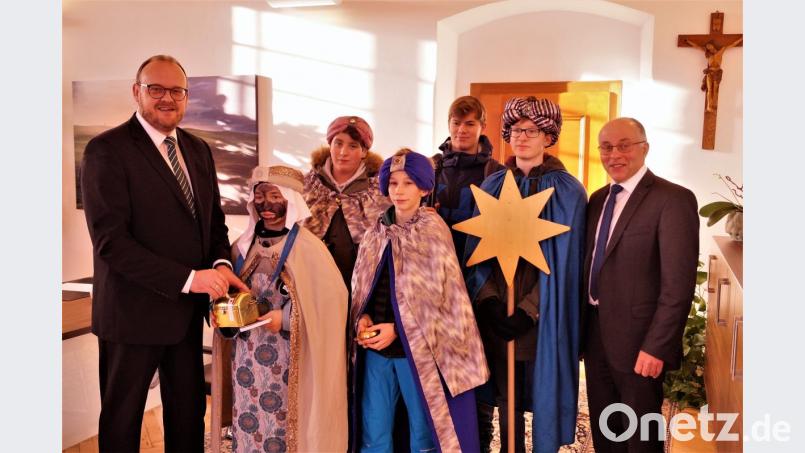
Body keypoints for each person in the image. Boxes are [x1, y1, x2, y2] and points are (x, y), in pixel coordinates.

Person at [80, 54, 248, 452]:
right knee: (122, 422)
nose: (167, 98)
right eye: (156, 88)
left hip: (184, 316)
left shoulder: (198, 150)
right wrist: (190, 280)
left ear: (186, 96)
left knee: (188, 416)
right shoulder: (106, 150)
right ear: (137, 92)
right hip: (130, 316)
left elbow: (213, 223)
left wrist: (221, 264)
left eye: (177, 90)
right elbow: (111, 243)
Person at [464, 96, 587, 453]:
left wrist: (530, 310)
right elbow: (476, 252)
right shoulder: (492, 186)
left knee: (542, 388)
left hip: (541, 317)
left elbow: (566, 263)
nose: (521, 137)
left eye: (531, 131)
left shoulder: (567, 191)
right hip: (498, 313)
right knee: (506, 394)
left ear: (548, 137)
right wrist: (488, 300)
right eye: (516, 130)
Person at [350, 149, 489, 452]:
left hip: (418, 352)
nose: (399, 191)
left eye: (408, 183)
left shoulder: (432, 231)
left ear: (424, 189)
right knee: (374, 430)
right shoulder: (375, 232)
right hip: (375, 350)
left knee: (425, 430)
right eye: (393, 183)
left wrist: (397, 330)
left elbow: (442, 300)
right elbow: (363, 286)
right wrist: (362, 317)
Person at [583, 117, 699, 452]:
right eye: (606, 147)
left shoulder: (672, 199)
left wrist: (656, 347)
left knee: (641, 437)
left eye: (624, 146)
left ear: (644, 148)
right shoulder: (597, 199)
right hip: (595, 335)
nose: (614, 154)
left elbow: (678, 286)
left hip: (640, 343)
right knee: (606, 431)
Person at [225, 165, 349, 452]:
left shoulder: (309, 249)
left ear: (291, 201)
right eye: (259, 197)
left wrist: (284, 317)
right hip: (246, 355)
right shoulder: (243, 246)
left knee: (282, 424)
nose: (266, 205)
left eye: (274, 196)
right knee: (248, 417)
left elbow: (331, 303)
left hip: (288, 356)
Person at [429, 95, 504, 450]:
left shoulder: (497, 173)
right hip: (434, 282)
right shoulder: (429, 169)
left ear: (482, 127)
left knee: (479, 366)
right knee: (435, 365)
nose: (462, 130)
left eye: (470, 123)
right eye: (456, 123)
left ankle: (480, 439)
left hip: (478, 281)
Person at [303, 115, 390, 292]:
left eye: (353, 146)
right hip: (311, 281)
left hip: (359, 285)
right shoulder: (307, 185)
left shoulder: (380, 191)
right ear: (330, 145)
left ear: (364, 152)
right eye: (338, 143)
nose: (343, 152)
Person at [685, 37, 743, 112]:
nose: (709, 48)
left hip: (717, 73)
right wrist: (688, 41)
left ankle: (714, 105)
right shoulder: (708, 54)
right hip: (709, 73)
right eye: (707, 47)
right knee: (709, 90)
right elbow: (697, 46)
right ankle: (709, 106)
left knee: (715, 90)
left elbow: (732, 44)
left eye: (709, 46)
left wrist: (741, 39)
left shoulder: (721, 51)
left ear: (713, 45)